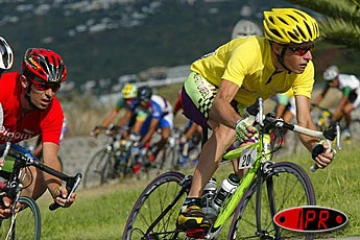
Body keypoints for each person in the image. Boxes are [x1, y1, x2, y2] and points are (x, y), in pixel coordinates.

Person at [176, 8, 336, 235]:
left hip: (236, 103)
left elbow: (305, 120)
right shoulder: (249, 52)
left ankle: (216, 201)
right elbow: (222, 101)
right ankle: (190, 205)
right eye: (300, 49)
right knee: (227, 130)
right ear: (278, 47)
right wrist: (238, 123)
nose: (308, 56)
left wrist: (315, 147)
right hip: (202, 85)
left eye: (310, 48)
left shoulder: (303, 69)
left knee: (245, 173)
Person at [0, 48, 76, 217]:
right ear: (25, 82)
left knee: (38, 176)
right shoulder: (3, 87)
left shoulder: (53, 111)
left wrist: (57, 191)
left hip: (5, 151)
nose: (49, 94)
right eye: (42, 85)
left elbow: (50, 159)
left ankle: (7, 208)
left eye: (55, 87)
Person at [129, 86, 174, 171]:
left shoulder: (156, 106)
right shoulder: (139, 103)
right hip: (150, 113)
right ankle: (138, 159)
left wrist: (143, 142)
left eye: (143, 101)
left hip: (165, 115)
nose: (141, 103)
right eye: (140, 101)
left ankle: (155, 153)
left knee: (165, 136)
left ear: (148, 100)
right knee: (141, 133)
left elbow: (152, 128)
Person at [312, 65, 360, 142]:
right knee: (339, 112)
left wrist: (335, 116)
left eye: (331, 81)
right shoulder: (331, 81)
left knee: (346, 110)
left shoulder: (345, 85)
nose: (330, 84)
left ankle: (348, 128)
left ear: (337, 78)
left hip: (357, 92)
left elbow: (342, 102)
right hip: (351, 92)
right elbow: (322, 95)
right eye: (328, 82)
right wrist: (313, 104)